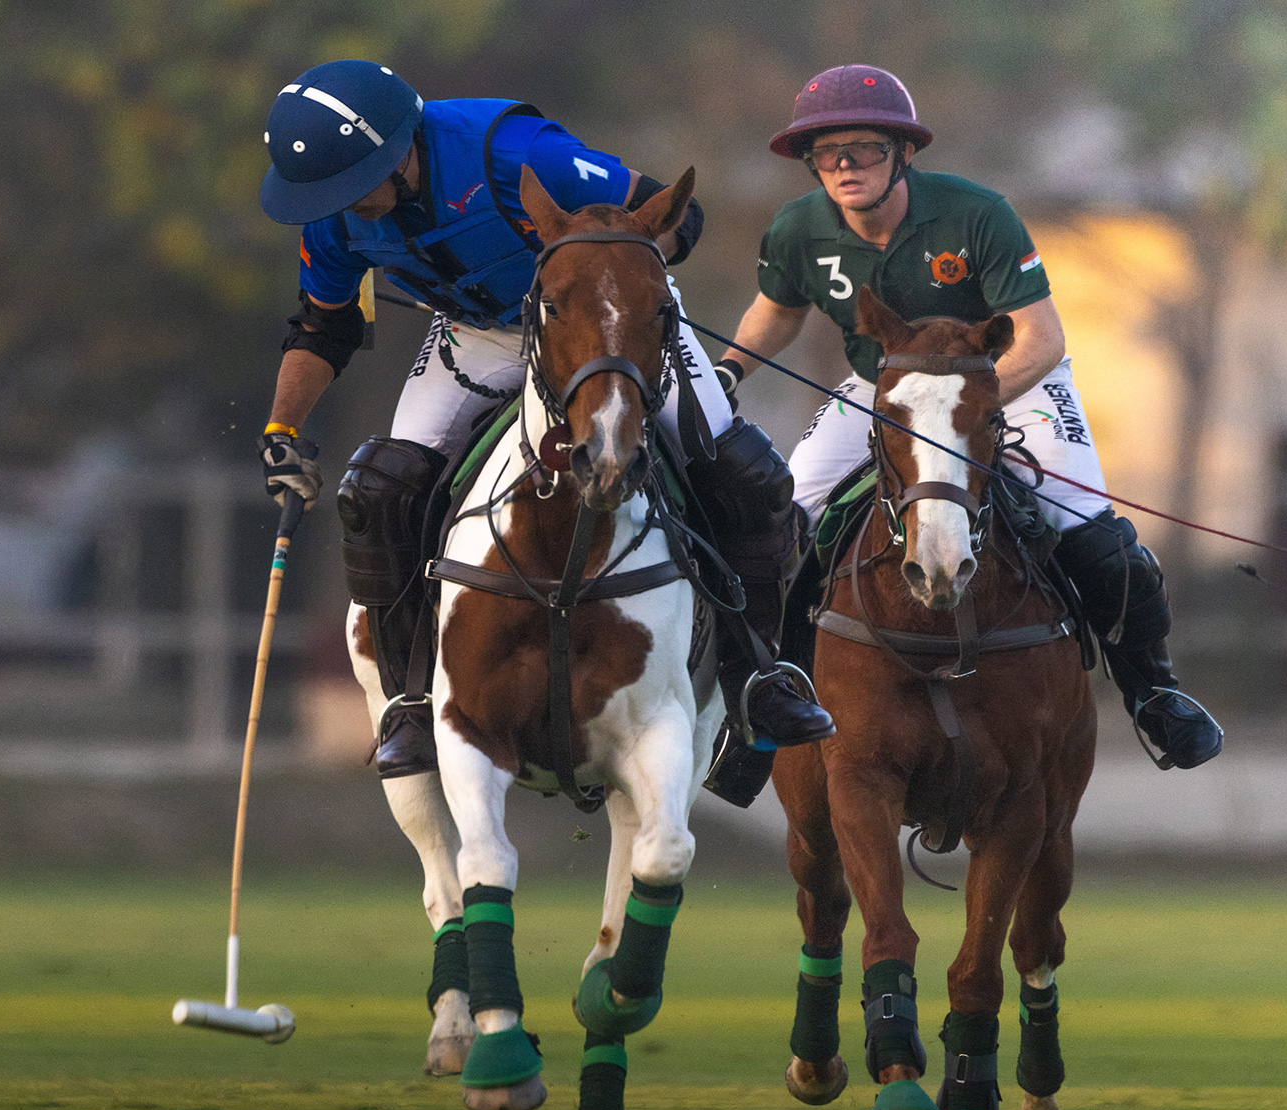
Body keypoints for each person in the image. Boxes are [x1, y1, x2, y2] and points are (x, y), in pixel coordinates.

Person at [254, 60, 833, 779]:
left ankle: (760, 679)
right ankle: (407, 698)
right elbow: (322, 327)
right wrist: (282, 431)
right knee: (381, 489)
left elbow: (673, 212)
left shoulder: (514, 153)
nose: (340, 203)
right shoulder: (337, 219)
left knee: (742, 471)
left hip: (604, 320)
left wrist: (617, 285)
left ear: (400, 146)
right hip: (478, 332)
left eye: (350, 183)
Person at [716, 65, 1221, 769]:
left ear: (903, 153)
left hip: (1010, 386)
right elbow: (778, 310)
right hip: (882, 389)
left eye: (862, 148)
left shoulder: (976, 215)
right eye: (825, 152)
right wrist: (728, 371)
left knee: (1090, 531)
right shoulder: (799, 228)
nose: (842, 165)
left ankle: (1155, 695)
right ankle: (769, 700)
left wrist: (966, 411)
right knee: (781, 521)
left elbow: (1042, 338)